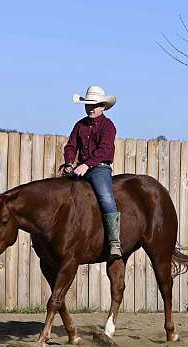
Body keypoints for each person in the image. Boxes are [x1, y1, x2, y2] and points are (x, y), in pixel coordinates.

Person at [62, 85, 121, 259]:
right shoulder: (79, 125)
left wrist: (87, 165)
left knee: (105, 197)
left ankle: (114, 241)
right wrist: (69, 163)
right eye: (88, 104)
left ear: (103, 107)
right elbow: (71, 145)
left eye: (94, 105)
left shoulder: (108, 126)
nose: (91, 108)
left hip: (99, 168)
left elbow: (104, 149)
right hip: (80, 168)